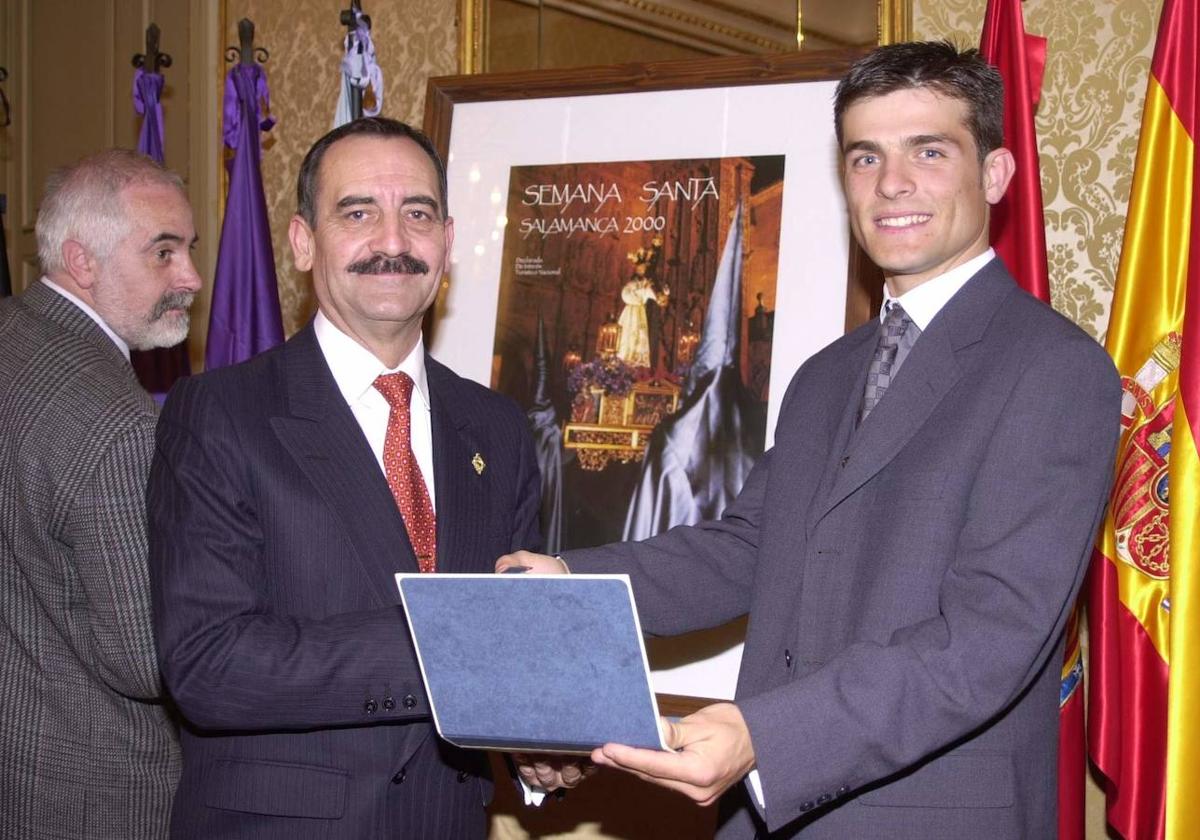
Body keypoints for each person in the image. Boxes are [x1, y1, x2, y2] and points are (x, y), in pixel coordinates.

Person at [498, 41, 1122, 839]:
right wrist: (567, 579)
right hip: (769, 819)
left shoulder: (1055, 370)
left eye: (929, 152)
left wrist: (769, 736)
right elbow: (749, 549)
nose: (892, 184)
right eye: (866, 157)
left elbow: (987, 639)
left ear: (995, 176)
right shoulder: (827, 375)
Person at [147, 117, 542, 838]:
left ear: (447, 244)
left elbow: (518, 643)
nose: (393, 243)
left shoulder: (499, 428)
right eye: (359, 212)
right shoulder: (220, 414)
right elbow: (208, 665)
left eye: (417, 214)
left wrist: (542, 749)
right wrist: (451, 644)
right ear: (303, 242)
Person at [0, 149, 201, 838]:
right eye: (164, 254)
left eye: (190, 250)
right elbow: (147, 658)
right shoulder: (117, 422)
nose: (192, 279)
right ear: (83, 262)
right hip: (91, 794)